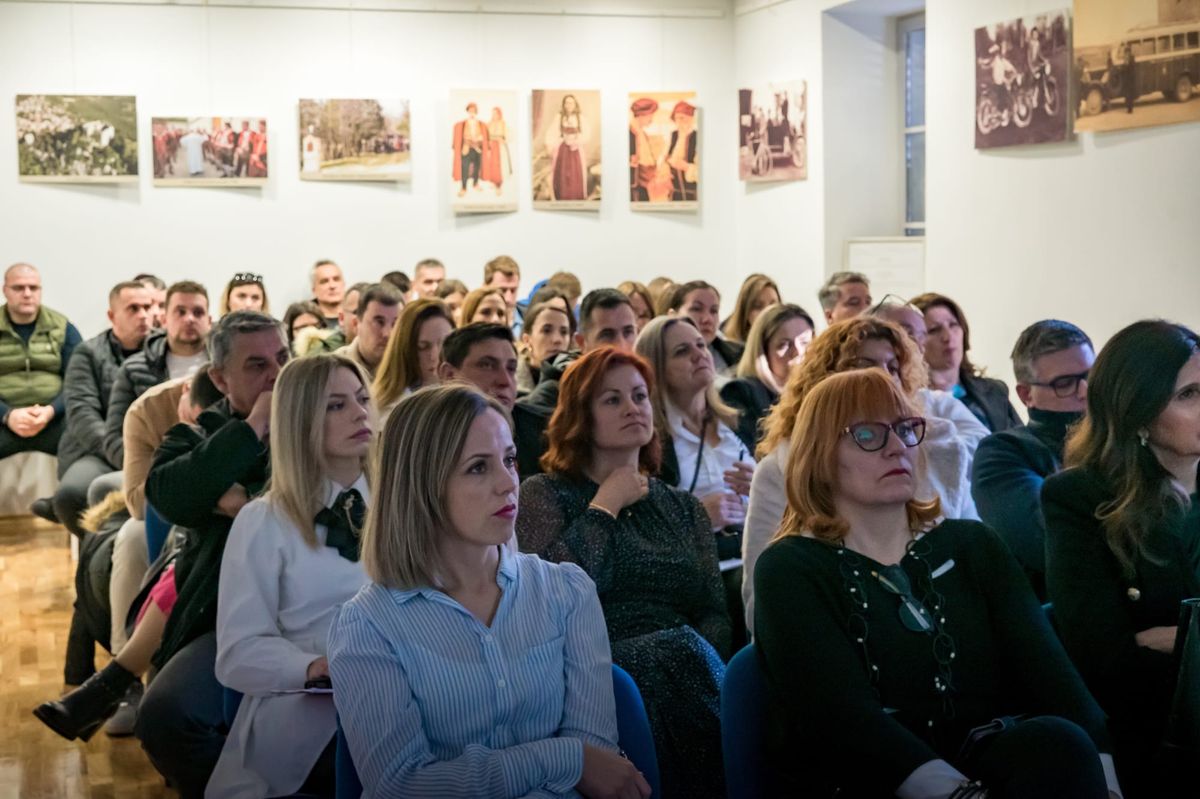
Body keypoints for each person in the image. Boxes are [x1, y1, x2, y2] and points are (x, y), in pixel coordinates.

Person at [753, 369, 1121, 798]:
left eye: (906, 429)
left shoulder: (971, 545)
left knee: (1059, 743)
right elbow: (843, 720)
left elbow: (1059, 684)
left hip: (988, 765)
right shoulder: (790, 568)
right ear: (820, 454)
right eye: (869, 434)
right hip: (872, 782)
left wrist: (1108, 786)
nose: (896, 448)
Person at [329, 384, 648, 799]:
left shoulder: (566, 592)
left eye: (510, 459)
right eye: (478, 468)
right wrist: (562, 758)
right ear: (421, 486)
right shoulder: (367, 625)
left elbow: (597, 771)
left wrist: (578, 761)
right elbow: (403, 786)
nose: (508, 483)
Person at [32, 313, 286, 795]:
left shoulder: (324, 420)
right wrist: (253, 427)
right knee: (165, 718)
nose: (276, 375)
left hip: (316, 604)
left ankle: (116, 678)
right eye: (257, 365)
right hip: (225, 612)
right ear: (219, 378)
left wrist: (239, 500)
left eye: (283, 359)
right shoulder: (195, 434)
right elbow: (164, 495)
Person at [517, 347, 730, 799]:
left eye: (639, 396)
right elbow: (549, 595)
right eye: (612, 400)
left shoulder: (683, 508)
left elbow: (713, 610)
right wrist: (605, 505)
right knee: (663, 660)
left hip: (688, 665)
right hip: (596, 668)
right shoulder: (544, 494)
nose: (633, 408)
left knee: (687, 655)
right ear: (581, 416)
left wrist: (699, 661)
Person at [743, 317, 985, 631]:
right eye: (864, 364)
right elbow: (758, 608)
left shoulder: (938, 450)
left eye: (893, 367)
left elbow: (971, 568)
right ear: (825, 379)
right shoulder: (781, 468)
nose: (881, 376)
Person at [1042, 320, 1200, 797]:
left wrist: (1183, 638)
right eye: (1188, 395)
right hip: (1156, 738)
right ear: (1137, 412)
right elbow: (1104, 660)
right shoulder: (1079, 498)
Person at [208, 354, 372, 798]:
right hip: (311, 710)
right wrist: (315, 668)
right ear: (300, 420)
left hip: (405, 697)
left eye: (361, 399)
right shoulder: (264, 521)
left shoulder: (401, 505)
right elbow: (239, 652)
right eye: (336, 406)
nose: (360, 413)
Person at [972, 320, 1093, 599]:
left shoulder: (1126, 438)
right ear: (1026, 394)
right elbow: (1051, 547)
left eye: (1091, 375)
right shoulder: (1003, 453)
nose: (1085, 391)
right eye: (1065, 383)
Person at [38, 282, 152, 534]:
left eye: (148, 307)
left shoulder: (162, 352)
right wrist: (122, 452)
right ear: (112, 316)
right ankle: (97, 560)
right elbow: (82, 414)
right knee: (71, 496)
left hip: (149, 448)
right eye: (133, 308)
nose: (143, 315)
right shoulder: (87, 353)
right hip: (97, 450)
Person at [516, 289, 640, 476]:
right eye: (607, 334)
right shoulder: (553, 397)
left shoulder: (646, 391)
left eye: (628, 332)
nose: (621, 345)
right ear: (581, 342)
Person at [103, 280, 212, 471]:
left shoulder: (226, 367)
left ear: (209, 321)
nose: (189, 319)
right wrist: (150, 468)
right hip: (152, 468)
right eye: (180, 312)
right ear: (163, 320)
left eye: (198, 312)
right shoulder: (134, 369)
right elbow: (114, 437)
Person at [0, 262, 82, 465]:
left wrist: (50, 411)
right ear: (5, 290)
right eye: (19, 288)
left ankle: (70, 496)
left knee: (89, 443)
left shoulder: (63, 327)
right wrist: (7, 415)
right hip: (3, 419)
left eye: (33, 287)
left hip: (53, 418)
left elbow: (79, 380)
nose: (27, 294)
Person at [912, 292, 1021, 433]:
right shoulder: (908, 399)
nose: (948, 336)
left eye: (953, 325)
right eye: (934, 330)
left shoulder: (994, 391)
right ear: (913, 342)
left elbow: (1022, 447)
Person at [719, 303, 813, 447]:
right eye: (784, 345)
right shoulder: (740, 393)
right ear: (763, 351)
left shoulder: (817, 393)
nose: (798, 352)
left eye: (805, 342)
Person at [372, 298, 455, 420]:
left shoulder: (466, 395)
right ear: (405, 350)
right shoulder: (392, 411)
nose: (435, 356)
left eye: (444, 343)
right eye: (423, 347)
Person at [665, 280, 744, 376]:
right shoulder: (657, 358)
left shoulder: (740, 355)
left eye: (714, 311)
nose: (707, 319)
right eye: (696, 309)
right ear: (672, 315)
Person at [334, 282, 402, 382]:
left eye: (395, 324)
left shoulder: (412, 366)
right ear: (356, 324)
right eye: (379, 322)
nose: (388, 334)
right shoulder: (334, 369)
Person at [516, 301, 574, 397]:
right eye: (546, 331)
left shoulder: (578, 380)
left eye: (564, 332)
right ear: (527, 340)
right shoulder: (511, 381)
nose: (557, 340)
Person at [546, 93, 587, 201]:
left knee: (574, 175)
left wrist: (577, 141)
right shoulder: (559, 117)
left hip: (575, 149)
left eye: (571, 103)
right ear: (564, 105)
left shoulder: (580, 118)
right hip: (563, 150)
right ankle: (562, 196)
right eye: (567, 103)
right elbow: (553, 131)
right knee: (562, 175)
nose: (569, 105)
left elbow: (586, 133)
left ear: (575, 104)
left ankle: (574, 196)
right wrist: (551, 144)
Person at [721, 273, 781, 344]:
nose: (768, 311)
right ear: (745, 313)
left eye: (773, 305)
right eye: (758, 306)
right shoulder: (729, 351)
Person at [452, 102, 487, 197]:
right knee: (465, 168)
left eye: (474, 111)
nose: (472, 112)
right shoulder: (463, 123)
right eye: (470, 110)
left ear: (476, 112)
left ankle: (475, 184)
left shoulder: (480, 124)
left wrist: (479, 139)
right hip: (466, 148)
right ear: (468, 111)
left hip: (477, 148)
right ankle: (463, 187)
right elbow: (461, 135)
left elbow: (483, 136)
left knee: (477, 167)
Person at [629, 97, 659, 202]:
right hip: (633, 186)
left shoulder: (643, 134)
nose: (651, 120)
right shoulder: (629, 132)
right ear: (642, 115)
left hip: (644, 185)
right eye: (650, 116)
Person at [483, 255, 522, 333]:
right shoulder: (473, 322)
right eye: (502, 290)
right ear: (485, 287)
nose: (508, 299)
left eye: (513, 290)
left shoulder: (531, 320)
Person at [481, 107, 511, 195]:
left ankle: (499, 186)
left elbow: (507, 136)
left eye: (496, 113)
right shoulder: (489, 124)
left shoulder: (503, 123)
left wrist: (503, 139)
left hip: (500, 147)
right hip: (491, 146)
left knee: (499, 166)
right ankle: (493, 183)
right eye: (493, 113)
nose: (494, 115)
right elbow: (485, 136)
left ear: (499, 114)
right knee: (491, 165)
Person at [311, 260, 346, 327]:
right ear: (314, 290)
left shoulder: (359, 316)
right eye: (324, 281)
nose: (332, 286)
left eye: (336, 279)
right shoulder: (307, 322)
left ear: (344, 284)